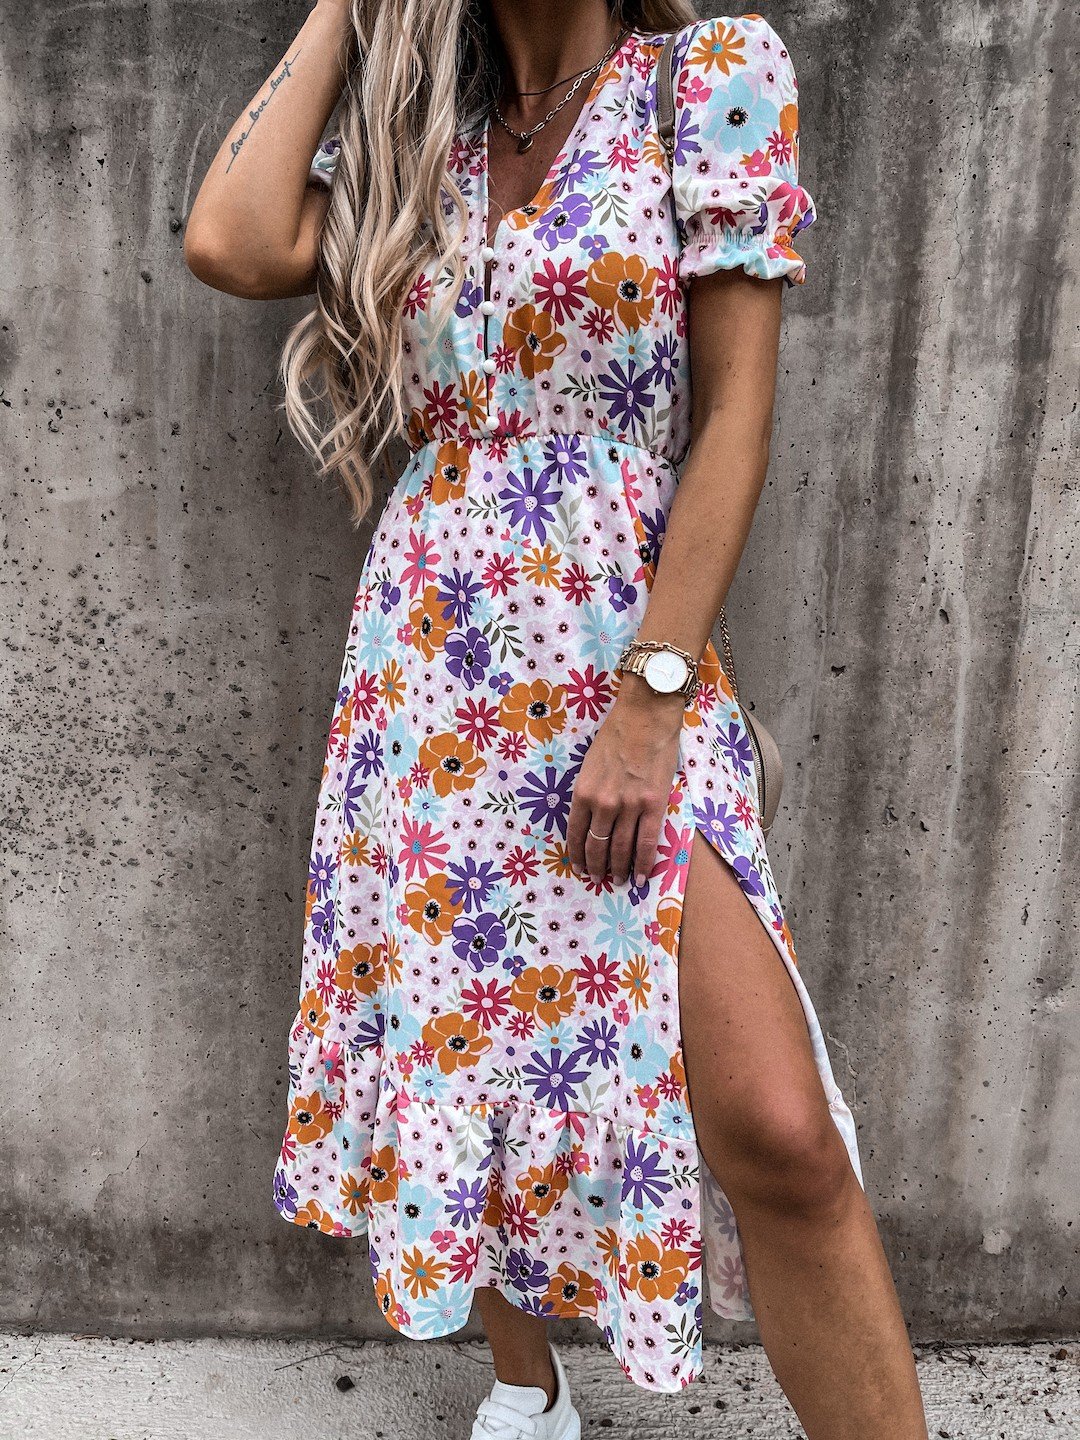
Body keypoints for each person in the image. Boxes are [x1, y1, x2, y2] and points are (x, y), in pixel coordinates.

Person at [185, 3, 930, 1437]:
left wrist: (652, 703)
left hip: (622, 657)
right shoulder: (425, 137)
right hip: (431, 673)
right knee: (464, 1043)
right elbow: (234, 239)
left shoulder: (705, 78)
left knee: (780, 1134)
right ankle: (527, 1391)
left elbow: (734, 418)